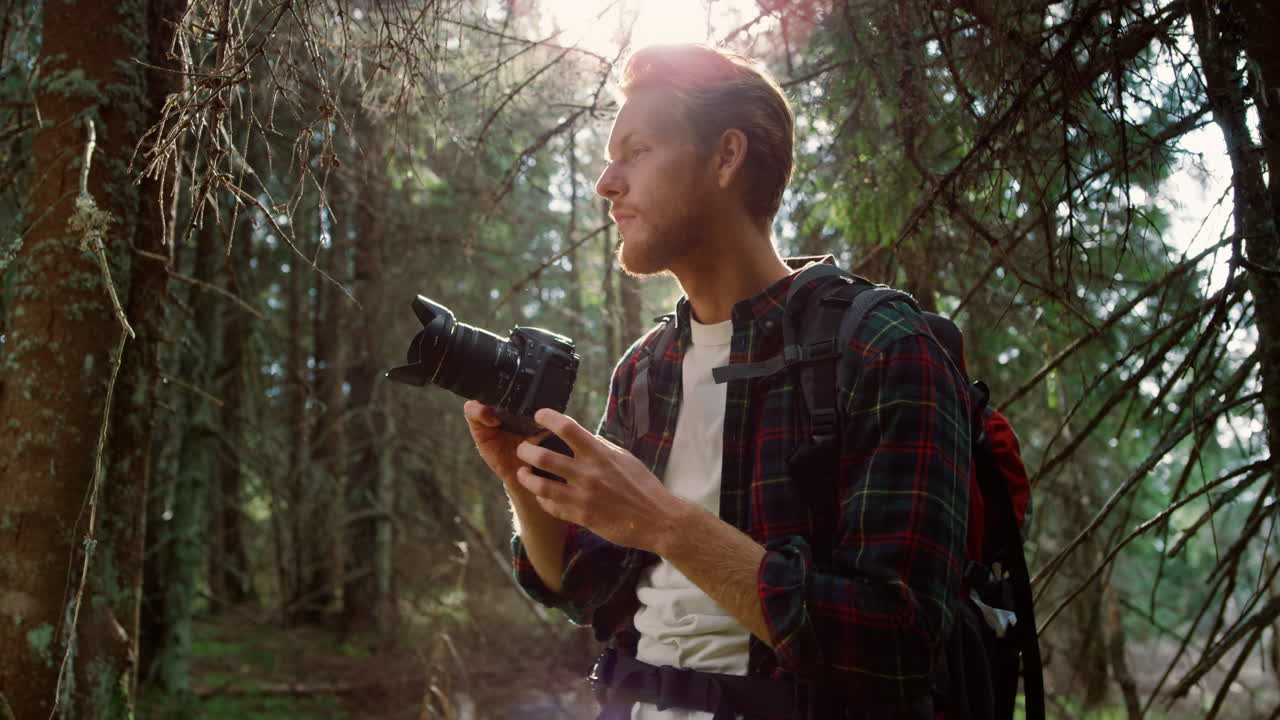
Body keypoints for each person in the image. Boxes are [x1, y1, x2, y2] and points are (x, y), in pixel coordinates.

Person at [464, 44, 972, 720]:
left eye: (637, 150)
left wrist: (666, 524)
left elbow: (896, 647)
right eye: (609, 157)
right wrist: (521, 479)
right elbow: (588, 586)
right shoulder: (647, 370)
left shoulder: (880, 347)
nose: (607, 183)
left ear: (725, 158)